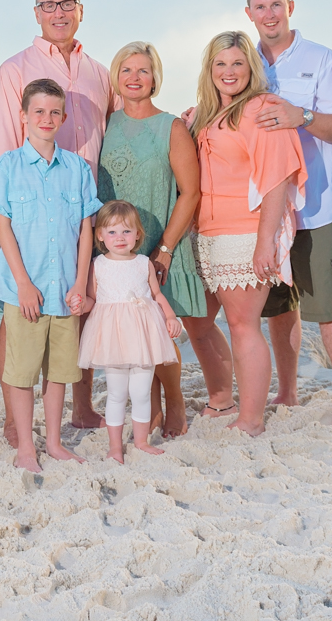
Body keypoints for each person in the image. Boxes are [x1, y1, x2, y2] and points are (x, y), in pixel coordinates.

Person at [0, 0, 113, 435]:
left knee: (78, 305)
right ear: (36, 12)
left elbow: (114, 129)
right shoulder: (15, 70)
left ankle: (79, 410)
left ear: (80, 9)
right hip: (27, 212)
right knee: (20, 313)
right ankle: (13, 419)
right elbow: (2, 144)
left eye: (67, 4)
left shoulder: (100, 73)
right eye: (49, 5)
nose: (58, 12)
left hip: (82, 209)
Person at [242, 0, 332, 423]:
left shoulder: (322, 60)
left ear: (290, 6)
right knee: (278, 307)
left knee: (331, 308)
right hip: (265, 209)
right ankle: (287, 392)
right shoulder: (243, 61)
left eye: (276, 5)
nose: (269, 14)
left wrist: (302, 116)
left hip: (315, 206)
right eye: (260, 7)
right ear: (249, 13)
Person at [190, 31, 306, 437]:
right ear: (210, 70)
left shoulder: (260, 108)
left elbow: (278, 179)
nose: (229, 71)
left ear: (250, 68)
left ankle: (251, 419)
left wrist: (265, 241)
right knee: (199, 322)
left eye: (237, 63)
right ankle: (224, 400)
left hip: (243, 232)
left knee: (243, 326)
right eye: (220, 63)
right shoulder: (208, 114)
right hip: (207, 233)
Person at [0, 79, 102, 472]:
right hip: (26, 290)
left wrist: (81, 284)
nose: (47, 119)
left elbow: (86, 229)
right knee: (21, 372)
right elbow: (3, 228)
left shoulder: (77, 169)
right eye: (39, 111)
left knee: (60, 371)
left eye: (55, 112)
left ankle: (53, 442)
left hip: (66, 289)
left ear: (64, 118)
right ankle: (25, 448)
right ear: (23, 116)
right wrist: (22, 283)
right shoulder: (6, 168)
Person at [95, 42, 207, 439]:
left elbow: (190, 193)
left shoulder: (172, 126)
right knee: (130, 333)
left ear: (155, 78)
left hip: (160, 243)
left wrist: (165, 248)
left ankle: (174, 400)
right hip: (115, 248)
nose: (134, 78)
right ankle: (150, 408)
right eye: (126, 70)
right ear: (116, 78)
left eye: (143, 70)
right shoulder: (105, 124)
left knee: (158, 329)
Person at [76, 200, 183, 464]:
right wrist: (79, 304)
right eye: (111, 232)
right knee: (116, 393)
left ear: (138, 234)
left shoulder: (143, 262)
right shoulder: (98, 265)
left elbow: (156, 294)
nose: (119, 238)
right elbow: (92, 299)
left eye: (126, 231)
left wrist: (170, 315)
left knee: (140, 392)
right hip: (112, 337)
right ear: (100, 235)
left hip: (143, 336)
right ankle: (115, 446)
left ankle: (141, 441)